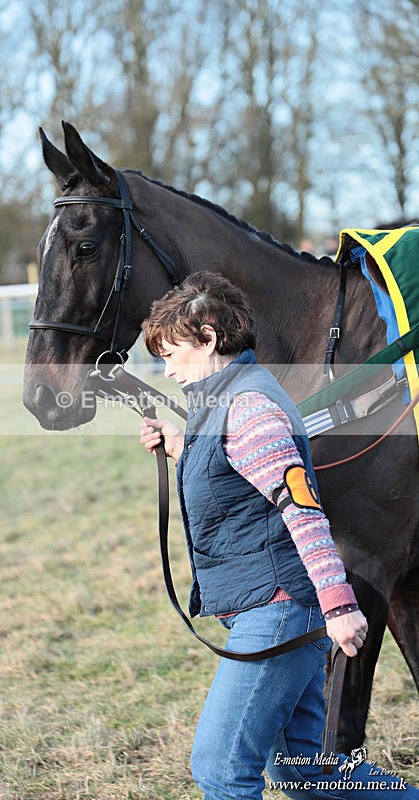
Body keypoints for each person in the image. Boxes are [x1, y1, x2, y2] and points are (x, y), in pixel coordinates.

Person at [139, 272, 418, 800]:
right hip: (279, 605)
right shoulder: (227, 401)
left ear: (208, 338)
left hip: (281, 609)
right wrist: (181, 445)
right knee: (303, 771)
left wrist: (340, 606)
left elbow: (303, 512)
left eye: (171, 354)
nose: (167, 368)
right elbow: (240, 476)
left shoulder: (247, 409)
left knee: (221, 770)